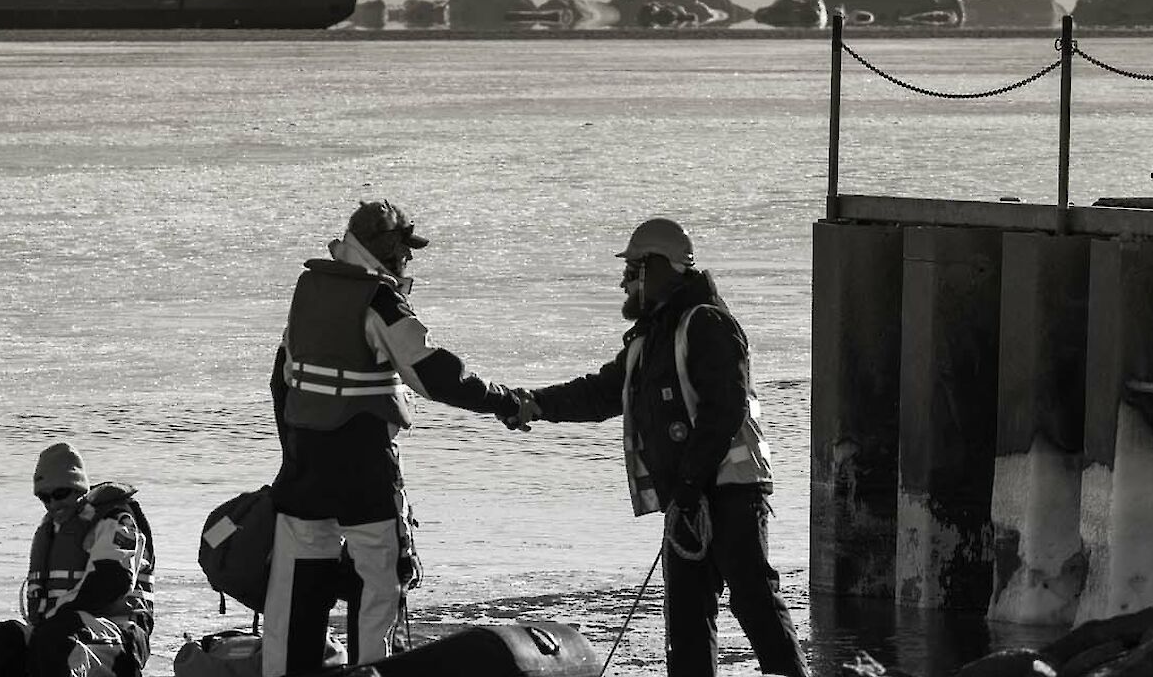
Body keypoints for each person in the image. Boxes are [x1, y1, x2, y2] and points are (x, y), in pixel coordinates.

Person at [503, 217, 806, 677]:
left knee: (756, 604)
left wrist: (688, 485)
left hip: (732, 496)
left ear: (661, 268)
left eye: (634, 269)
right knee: (685, 622)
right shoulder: (653, 337)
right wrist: (535, 405)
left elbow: (725, 411)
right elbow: (602, 392)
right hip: (688, 501)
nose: (625, 280)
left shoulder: (707, 323)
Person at [263, 200, 528, 677]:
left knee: (296, 590)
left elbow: (281, 380)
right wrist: (506, 402)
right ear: (385, 251)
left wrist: (293, 454)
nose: (409, 259)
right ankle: (373, 673)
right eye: (405, 250)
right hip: (364, 467)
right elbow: (434, 374)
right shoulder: (379, 301)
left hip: (304, 466)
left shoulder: (309, 290)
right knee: (379, 586)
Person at [0, 443, 156, 677]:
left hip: (120, 636)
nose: (53, 504)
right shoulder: (53, 530)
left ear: (79, 488)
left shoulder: (117, 521)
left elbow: (112, 581)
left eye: (60, 494)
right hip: (58, 630)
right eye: (45, 497)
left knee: (55, 642)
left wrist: (56, 617)